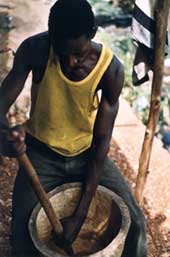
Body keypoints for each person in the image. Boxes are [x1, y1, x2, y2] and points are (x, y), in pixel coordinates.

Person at [0, 0, 147, 256]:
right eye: (61, 53)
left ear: (93, 33)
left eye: (78, 54)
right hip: (40, 155)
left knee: (134, 223)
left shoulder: (109, 70)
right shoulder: (35, 49)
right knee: (23, 235)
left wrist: (79, 216)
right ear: (50, 35)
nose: (69, 62)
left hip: (86, 154)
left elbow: (101, 142)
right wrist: (5, 139)